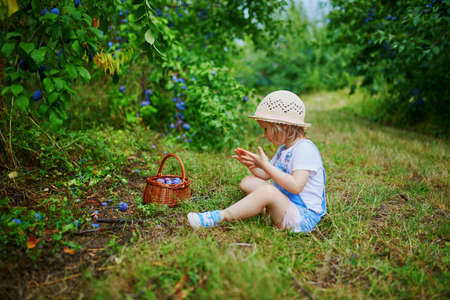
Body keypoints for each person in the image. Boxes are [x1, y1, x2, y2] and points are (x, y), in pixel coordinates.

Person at [187, 90, 326, 233]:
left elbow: (296, 186)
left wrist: (265, 165)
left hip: (302, 218)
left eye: (266, 129)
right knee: (248, 181)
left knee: (268, 191)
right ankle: (262, 208)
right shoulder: (285, 149)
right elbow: (266, 175)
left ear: (284, 126)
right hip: (288, 205)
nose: (264, 135)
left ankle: (219, 217)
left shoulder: (305, 149)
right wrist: (254, 165)